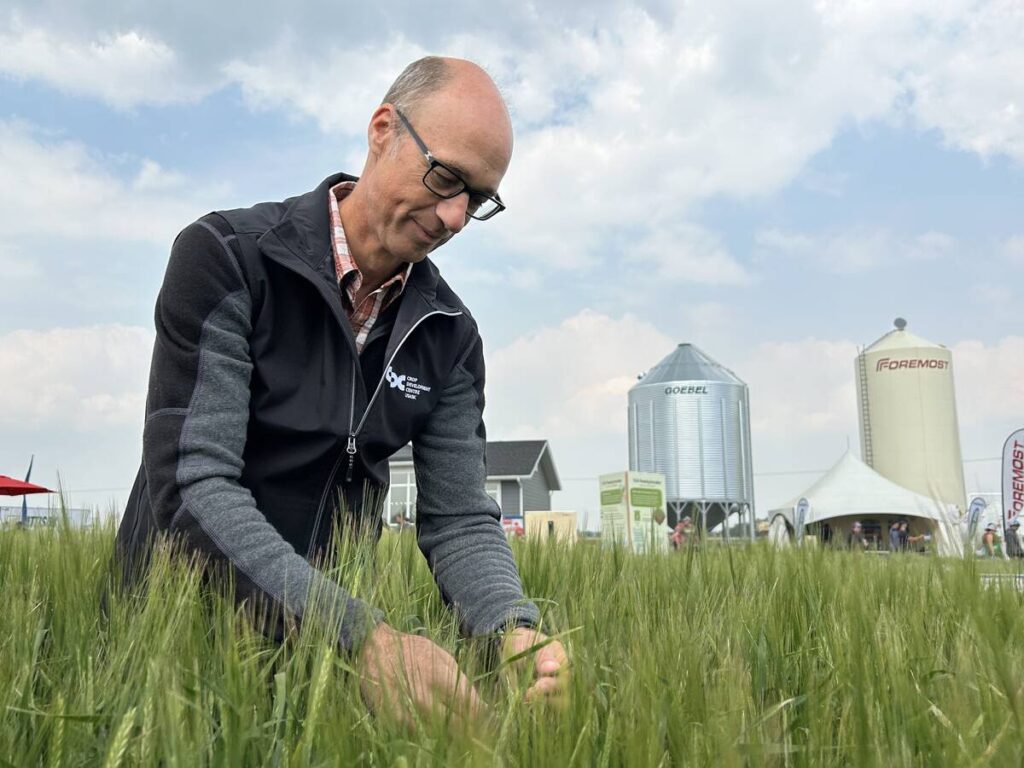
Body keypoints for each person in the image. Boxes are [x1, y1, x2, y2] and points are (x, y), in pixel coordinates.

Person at [113, 56, 569, 724]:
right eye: (446, 178)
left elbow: (460, 518)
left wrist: (510, 627)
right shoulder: (229, 259)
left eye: (477, 199)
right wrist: (364, 637)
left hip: (314, 672)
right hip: (169, 649)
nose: (453, 218)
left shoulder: (449, 334)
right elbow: (194, 484)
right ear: (383, 130)